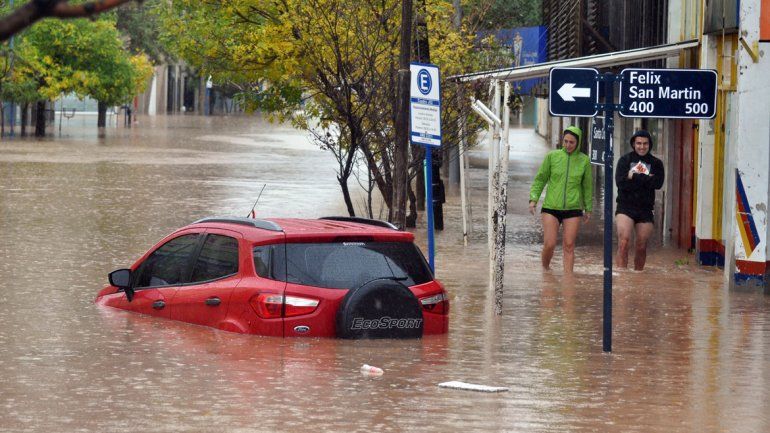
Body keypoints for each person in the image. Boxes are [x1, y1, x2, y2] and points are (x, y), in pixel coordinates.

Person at [529, 126, 593, 273]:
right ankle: (545, 271)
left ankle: (568, 280)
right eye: (566, 141)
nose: (568, 145)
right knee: (549, 244)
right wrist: (533, 199)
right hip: (551, 207)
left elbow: (587, 186)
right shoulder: (552, 157)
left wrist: (588, 208)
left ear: (578, 143)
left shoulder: (584, 161)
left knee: (569, 245)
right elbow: (540, 180)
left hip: (573, 208)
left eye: (572, 142)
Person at [615, 130, 665, 270]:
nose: (641, 147)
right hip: (625, 207)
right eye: (638, 143)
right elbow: (620, 182)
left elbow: (657, 183)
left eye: (645, 143)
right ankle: (622, 277)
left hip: (645, 209)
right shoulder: (624, 160)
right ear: (633, 144)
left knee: (641, 245)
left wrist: (633, 176)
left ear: (649, 144)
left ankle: (638, 276)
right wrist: (646, 178)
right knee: (624, 242)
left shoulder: (656, 163)